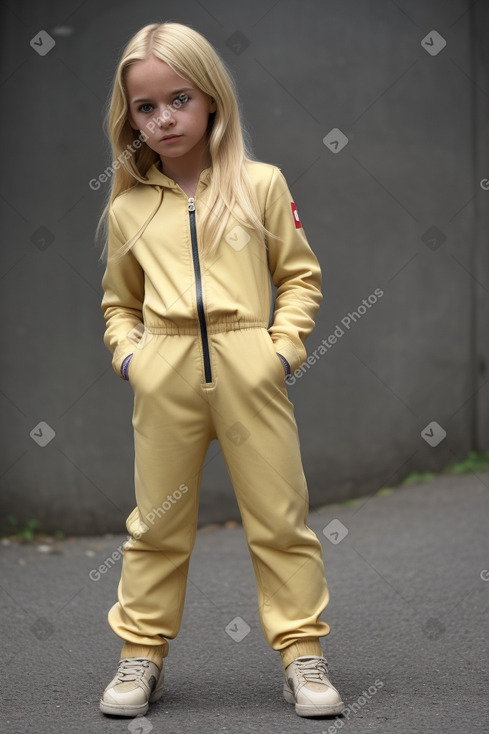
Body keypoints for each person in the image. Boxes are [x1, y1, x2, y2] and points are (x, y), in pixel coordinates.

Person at [98, 20, 344, 720]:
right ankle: (140, 656)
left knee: (280, 520)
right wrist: (131, 359)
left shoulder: (261, 186)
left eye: (179, 98)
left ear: (211, 99)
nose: (164, 118)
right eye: (145, 107)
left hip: (248, 365)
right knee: (154, 527)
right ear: (130, 117)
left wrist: (280, 351)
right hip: (164, 371)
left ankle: (301, 653)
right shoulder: (128, 207)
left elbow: (299, 278)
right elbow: (119, 304)